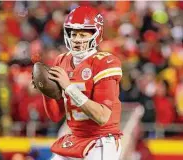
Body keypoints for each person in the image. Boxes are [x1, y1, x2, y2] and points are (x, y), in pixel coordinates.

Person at [37, 6, 123, 160]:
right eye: (74, 33)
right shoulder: (61, 60)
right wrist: (46, 91)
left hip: (101, 140)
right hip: (75, 137)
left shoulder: (105, 62)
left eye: (83, 34)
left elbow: (102, 117)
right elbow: (56, 116)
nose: (77, 39)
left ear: (97, 35)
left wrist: (68, 87)